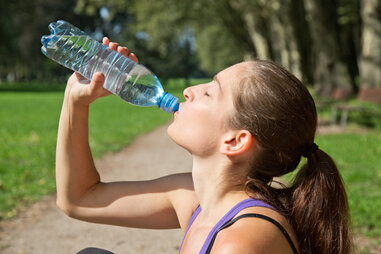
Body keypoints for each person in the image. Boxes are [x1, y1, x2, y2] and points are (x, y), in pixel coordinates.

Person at [56, 37, 353, 254]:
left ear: (235, 141)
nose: (189, 92)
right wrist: (76, 100)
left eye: (210, 92)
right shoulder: (195, 200)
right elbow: (79, 199)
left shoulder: (240, 242)